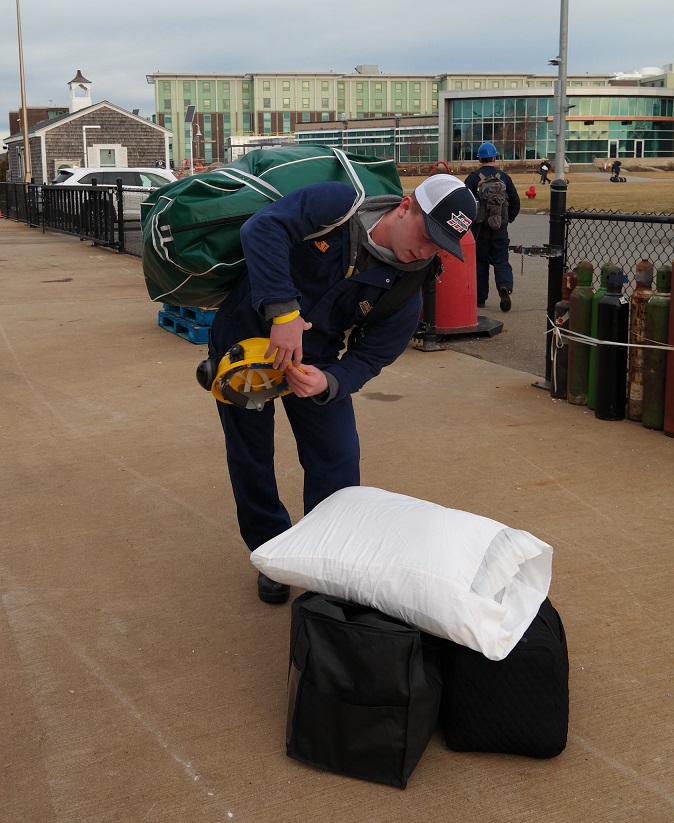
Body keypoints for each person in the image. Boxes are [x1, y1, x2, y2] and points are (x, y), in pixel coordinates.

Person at [208, 175, 477, 603]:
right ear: (407, 206)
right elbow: (262, 229)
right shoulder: (338, 204)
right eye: (427, 235)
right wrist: (282, 314)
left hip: (315, 360)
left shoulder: (409, 287)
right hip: (244, 341)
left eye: (439, 247)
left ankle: (325, 559)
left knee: (337, 458)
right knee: (251, 455)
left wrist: (331, 382)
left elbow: (372, 356)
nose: (424, 253)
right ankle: (271, 552)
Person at [464, 142, 520, 312]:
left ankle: (480, 298)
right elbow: (515, 202)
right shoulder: (504, 177)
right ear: (495, 158)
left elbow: (464, 202)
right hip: (499, 229)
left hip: (479, 229)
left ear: (479, 159)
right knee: (501, 260)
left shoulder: (473, 178)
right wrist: (507, 219)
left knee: (480, 263)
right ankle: (504, 288)